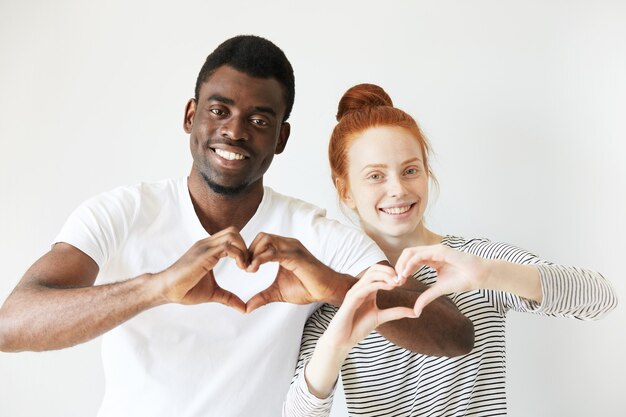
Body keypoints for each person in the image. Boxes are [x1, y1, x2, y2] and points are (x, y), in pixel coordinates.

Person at [0, 37, 474, 417]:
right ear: (191, 116)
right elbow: (11, 324)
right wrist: (155, 288)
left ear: (281, 137)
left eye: (260, 119)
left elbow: (454, 335)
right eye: (218, 110)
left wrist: (334, 285)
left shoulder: (312, 233)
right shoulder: (122, 212)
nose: (235, 131)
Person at [283, 83, 618, 416]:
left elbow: (601, 299)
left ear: (427, 174)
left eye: (410, 170)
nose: (397, 189)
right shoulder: (334, 289)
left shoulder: (475, 261)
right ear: (345, 191)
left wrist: (488, 274)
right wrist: (336, 344)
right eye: (375, 176)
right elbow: (296, 413)